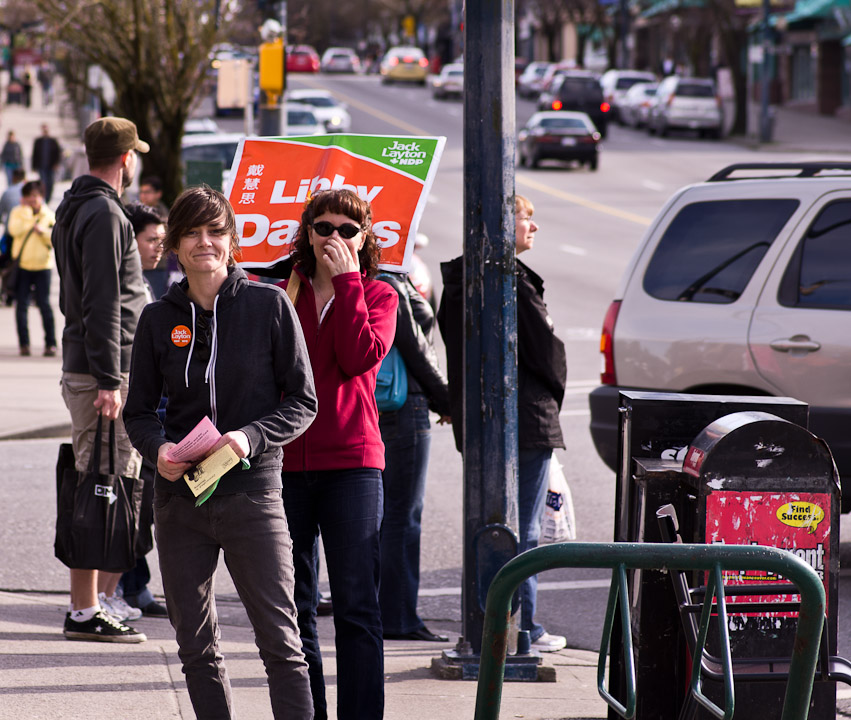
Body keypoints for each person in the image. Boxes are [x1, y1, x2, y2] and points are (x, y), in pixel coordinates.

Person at [123, 185, 317, 719]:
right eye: (191, 232)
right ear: (176, 245)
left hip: (252, 494)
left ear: (232, 241)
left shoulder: (268, 304)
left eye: (214, 231)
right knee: (196, 647)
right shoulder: (158, 318)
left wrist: (249, 437)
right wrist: (157, 448)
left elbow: (303, 402)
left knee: (281, 643)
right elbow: (137, 412)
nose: (203, 242)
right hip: (180, 500)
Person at [278, 188, 397, 720]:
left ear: (364, 237)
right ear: (307, 232)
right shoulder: (281, 293)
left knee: (356, 607)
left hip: (353, 464)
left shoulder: (378, 295)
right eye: (324, 227)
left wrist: (348, 283)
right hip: (284, 466)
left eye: (348, 230)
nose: (335, 238)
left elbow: (356, 359)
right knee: (295, 608)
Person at [438, 194, 568, 653]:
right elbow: (548, 354)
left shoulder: (462, 278)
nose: (533, 228)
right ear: (498, 223)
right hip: (525, 420)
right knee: (524, 531)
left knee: (495, 524)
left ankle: (504, 626)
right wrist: (554, 391)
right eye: (524, 218)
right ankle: (523, 630)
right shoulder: (509, 278)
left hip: (486, 420)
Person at [53, 116, 150, 643]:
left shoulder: (74, 206)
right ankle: (85, 610)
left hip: (91, 368)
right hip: (101, 374)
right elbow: (101, 301)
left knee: (100, 480)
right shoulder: (104, 213)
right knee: (100, 485)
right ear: (125, 160)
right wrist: (111, 379)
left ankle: (91, 604)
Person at [376, 271, 452, 642]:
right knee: (402, 518)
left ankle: (386, 611)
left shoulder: (368, 274)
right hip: (403, 404)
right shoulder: (387, 279)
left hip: (386, 404)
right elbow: (414, 345)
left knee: (386, 515)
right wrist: (445, 399)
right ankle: (399, 616)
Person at [114, 203, 169, 619]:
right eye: (151, 238)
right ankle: (124, 588)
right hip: (126, 402)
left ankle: (133, 584)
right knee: (131, 498)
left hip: (149, 402)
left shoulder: (145, 284)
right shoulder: (119, 284)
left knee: (140, 498)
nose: (159, 246)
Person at [8, 180, 56, 356]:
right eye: (28, 197)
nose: (32, 200)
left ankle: (50, 343)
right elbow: (14, 230)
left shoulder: (49, 215)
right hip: (22, 266)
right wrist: (29, 217)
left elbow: (54, 240)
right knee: (21, 306)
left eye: (35, 196)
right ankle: (24, 344)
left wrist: (42, 231)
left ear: (41, 197)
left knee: (44, 305)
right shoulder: (18, 213)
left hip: (43, 266)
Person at [137, 176, 171, 298]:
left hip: (157, 267)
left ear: (158, 194)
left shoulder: (163, 216)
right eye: (141, 192)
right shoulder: (138, 211)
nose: (143, 196)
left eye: (147, 192)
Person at [32, 124, 62, 203]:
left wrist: (56, 164)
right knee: (43, 183)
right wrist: (34, 166)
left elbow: (58, 153)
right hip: (41, 166)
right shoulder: (38, 141)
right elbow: (34, 154)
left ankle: (48, 197)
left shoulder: (53, 141)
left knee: (50, 182)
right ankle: (43, 197)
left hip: (51, 166)